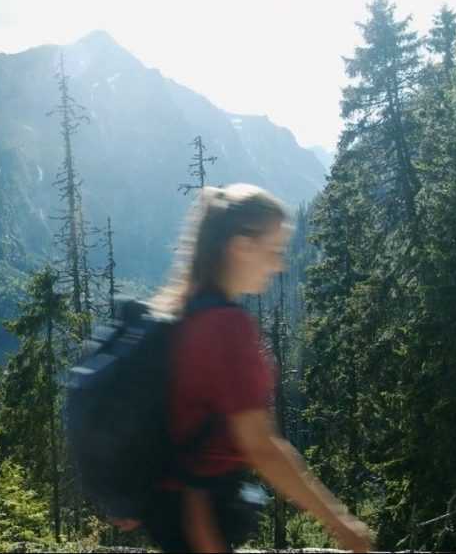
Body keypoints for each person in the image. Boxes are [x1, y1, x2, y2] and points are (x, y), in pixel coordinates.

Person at [140, 184, 371, 552]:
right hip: (202, 519)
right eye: (274, 250)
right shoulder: (226, 327)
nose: (280, 264)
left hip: (175, 512)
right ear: (241, 245)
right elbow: (261, 447)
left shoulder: (184, 310)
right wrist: (339, 522)